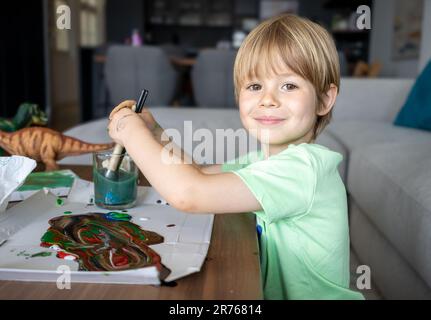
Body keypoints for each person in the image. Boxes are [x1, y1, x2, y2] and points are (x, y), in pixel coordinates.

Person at [107, 14, 364, 300]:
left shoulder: (305, 168)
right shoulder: (261, 161)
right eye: (255, 86)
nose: (268, 99)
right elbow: (199, 173)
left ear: (325, 100)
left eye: (288, 85)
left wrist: (130, 132)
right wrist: (155, 133)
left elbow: (189, 193)